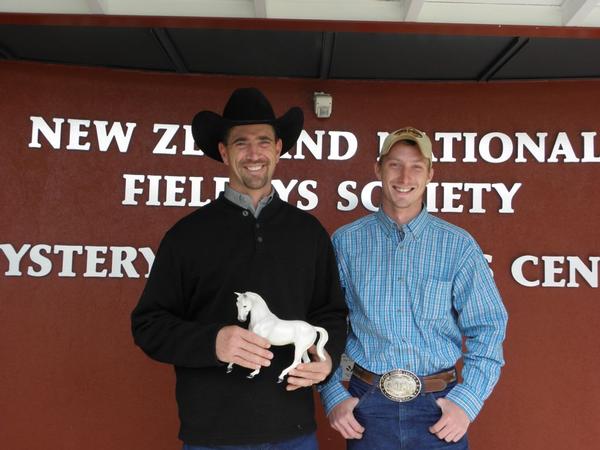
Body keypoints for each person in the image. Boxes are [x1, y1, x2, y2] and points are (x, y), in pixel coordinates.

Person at [131, 88, 347, 449]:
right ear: (223, 151)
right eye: (241, 142)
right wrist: (213, 342)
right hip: (213, 434)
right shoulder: (187, 235)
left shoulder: (308, 232)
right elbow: (148, 325)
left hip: (292, 432)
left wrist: (326, 360)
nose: (253, 153)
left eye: (263, 141)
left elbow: (332, 313)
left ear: (278, 148)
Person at [319, 127, 508, 449]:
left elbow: (489, 326)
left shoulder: (457, 246)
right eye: (394, 164)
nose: (404, 176)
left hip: (438, 409)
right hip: (367, 409)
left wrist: (468, 400)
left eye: (416, 166)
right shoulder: (346, 242)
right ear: (378, 168)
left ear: (430, 174)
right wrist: (333, 393)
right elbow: (327, 324)